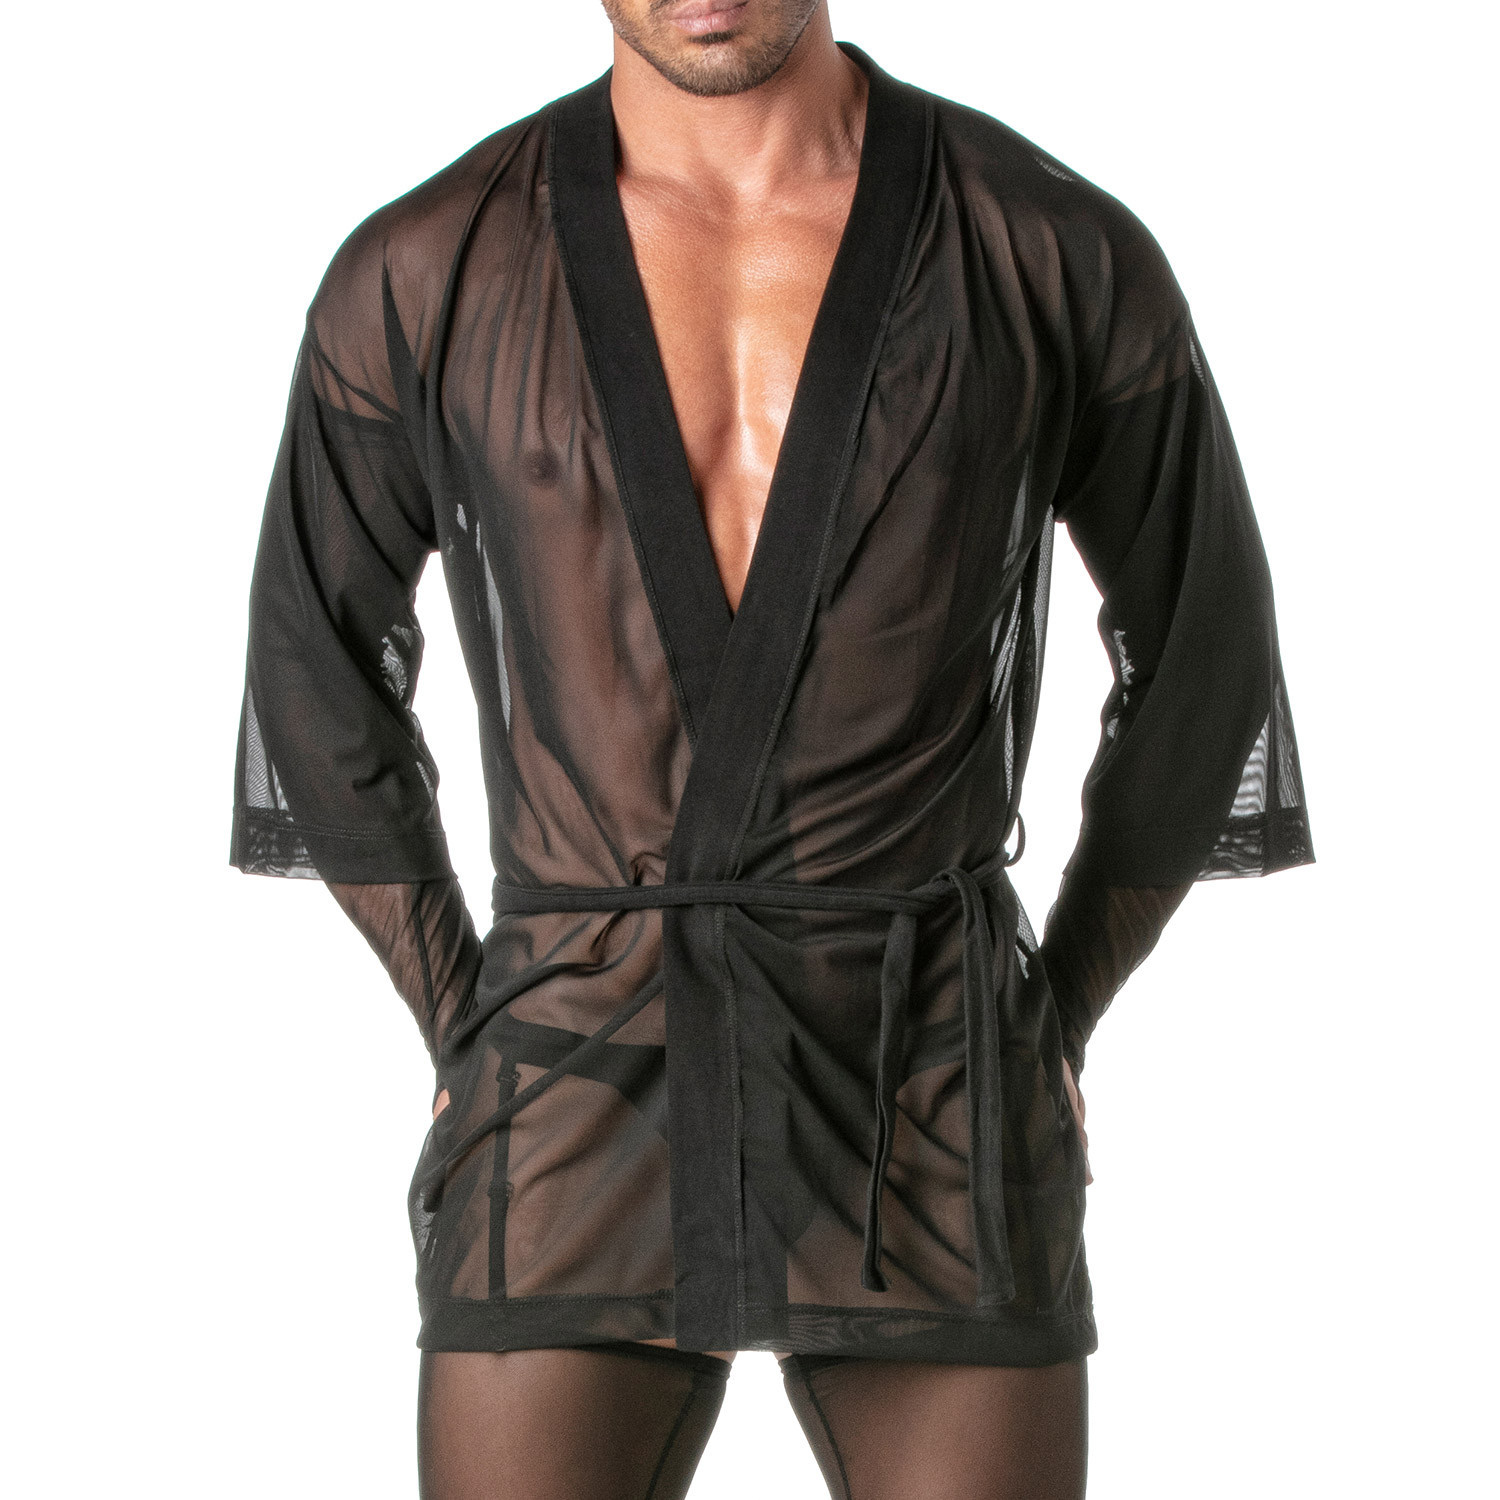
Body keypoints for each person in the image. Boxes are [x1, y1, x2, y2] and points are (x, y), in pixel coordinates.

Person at [229, 2, 1314, 1494]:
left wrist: (1049, 1015)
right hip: (572, 1068)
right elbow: (311, 662)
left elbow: (1207, 654)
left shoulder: (1047, 245)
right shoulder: (426, 266)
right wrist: (460, 1017)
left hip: (933, 1077)